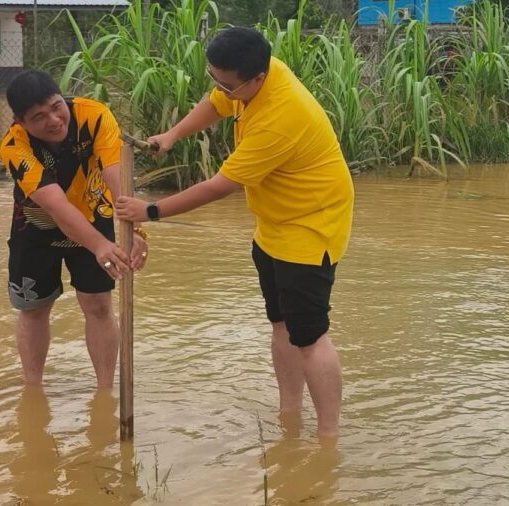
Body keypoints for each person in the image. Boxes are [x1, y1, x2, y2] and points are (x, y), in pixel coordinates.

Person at [115, 27, 354, 437]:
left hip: (310, 226)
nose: (220, 88)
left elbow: (219, 186)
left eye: (227, 84)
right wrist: (173, 134)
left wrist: (151, 210)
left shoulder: (280, 118)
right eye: (214, 77)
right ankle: (289, 415)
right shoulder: (253, 77)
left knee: (310, 337)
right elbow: (217, 101)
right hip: (272, 223)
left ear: (258, 78)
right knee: (281, 324)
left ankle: (328, 437)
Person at [0, 70, 148, 388]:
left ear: (62, 98)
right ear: (20, 122)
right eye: (39, 117)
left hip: (94, 212)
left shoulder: (95, 116)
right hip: (36, 225)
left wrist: (135, 229)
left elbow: (116, 176)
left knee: (98, 304)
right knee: (34, 308)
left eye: (56, 107)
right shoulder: (14, 146)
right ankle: (33, 389)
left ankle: (105, 391)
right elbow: (57, 207)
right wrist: (99, 246)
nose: (54, 120)